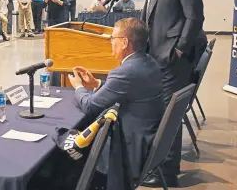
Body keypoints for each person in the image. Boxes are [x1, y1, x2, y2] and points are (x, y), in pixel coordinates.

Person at [59, 18, 165, 190]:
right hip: (150, 139)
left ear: (124, 42)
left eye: (112, 39)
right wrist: (96, 85)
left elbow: (90, 107)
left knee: (71, 149)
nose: (110, 43)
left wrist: (78, 87)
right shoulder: (149, 62)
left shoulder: (125, 72)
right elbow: (130, 93)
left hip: (131, 146)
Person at [140, 0, 206, 187]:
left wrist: (179, 49)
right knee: (162, 113)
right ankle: (164, 165)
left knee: (169, 116)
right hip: (155, 56)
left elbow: (195, 16)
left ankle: (166, 173)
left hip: (173, 59)